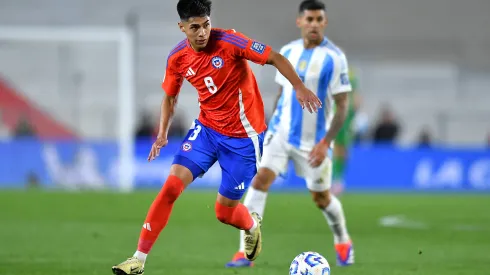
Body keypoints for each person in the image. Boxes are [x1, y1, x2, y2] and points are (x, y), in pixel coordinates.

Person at [111, 0, 321, 274]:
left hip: (243, 139)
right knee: (171, 187)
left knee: (223, 213)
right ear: (182, 27)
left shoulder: (231, 41)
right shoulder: (177, 58)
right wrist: (162, 133)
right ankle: (138, 260)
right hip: (207, 130)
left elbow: (275, 57)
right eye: (195, 27)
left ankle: (250, 224)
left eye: (206, 24)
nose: (202, 32)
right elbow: (170, 97)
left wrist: (299, 87)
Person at [225, 0, 354, 268]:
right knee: (259, 181)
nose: (314, 24)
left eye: (319, 19)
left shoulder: (335, 58)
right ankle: (244, 252)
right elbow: (282, 95)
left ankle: (342, 239)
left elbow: (343, 106)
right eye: (309, 19)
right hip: (280, 134)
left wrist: (326, 143)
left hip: (314, 142)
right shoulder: (287, 52)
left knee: (321, 198)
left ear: (325, 23)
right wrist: (269, 129)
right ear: (300, 22)